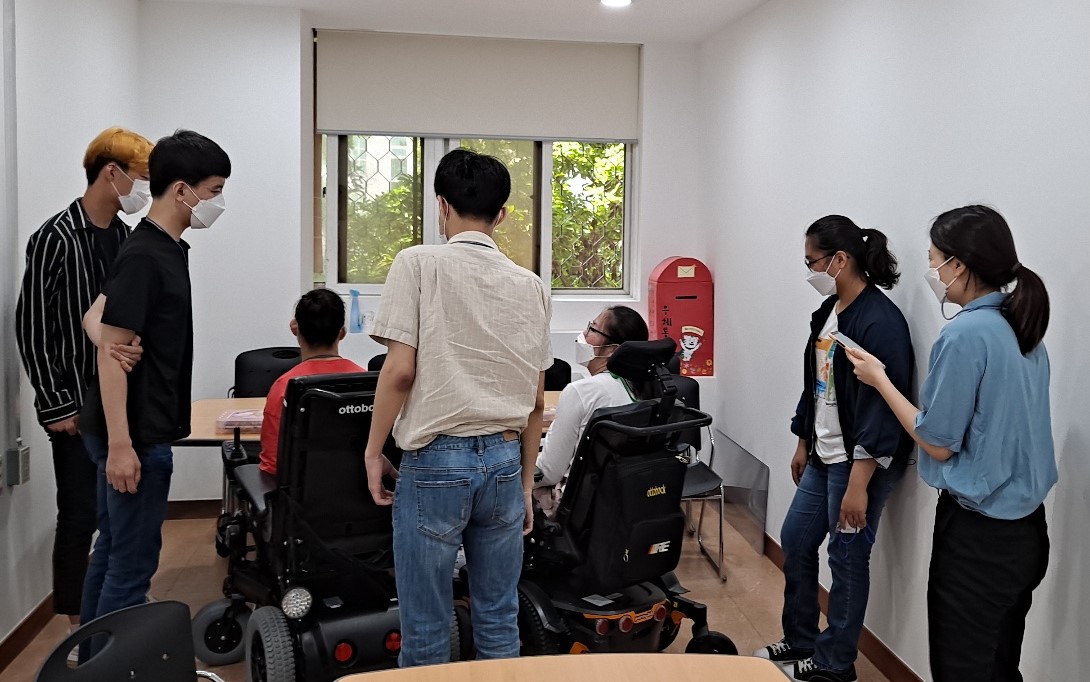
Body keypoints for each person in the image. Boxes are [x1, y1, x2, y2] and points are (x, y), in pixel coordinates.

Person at [846, 205, 1056, 682]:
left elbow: (937, 442)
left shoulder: (965, 335)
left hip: (979, 539)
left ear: (958, 265)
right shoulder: (1024, 327)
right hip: (1027, 532)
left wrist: (879, 379)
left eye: (934, 260)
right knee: (1001, 664)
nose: (933, 273)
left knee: (960, 668)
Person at [364, 148, 552, 667]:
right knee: (498, 617)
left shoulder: (417, 263)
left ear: (441, 206)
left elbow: (399, 372)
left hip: (435, 465)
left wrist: (374, 451)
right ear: (502, 215)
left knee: (427, 626)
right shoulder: (531, 286)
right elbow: (535, 401)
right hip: (505, 463)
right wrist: (526, 484)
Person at [78, 130, 231, 628]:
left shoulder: (160, 247)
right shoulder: (146, 255)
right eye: (214, 191)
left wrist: (107, 338)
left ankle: (88, 655)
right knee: (132, 565)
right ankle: (113, 661)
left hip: (130, 429)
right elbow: (110, 359)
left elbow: (95, 315)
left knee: (114, 550)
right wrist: (121, 446)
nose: (219, 203)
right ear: (182, 190)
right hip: (134, 435)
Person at [755, 215, 914, 682]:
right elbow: (816, 384)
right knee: (796, 539)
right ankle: (802, 640)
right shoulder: (828, 312)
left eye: (813, 262)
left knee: (846, 558)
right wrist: (802, 440)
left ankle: (835, 664)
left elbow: (882, 408)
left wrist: (859, 484)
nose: (809, 271)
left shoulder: (881, 322)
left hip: (859, 463)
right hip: (824, 453)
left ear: (840, 260)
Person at [14, 127, 152, 637]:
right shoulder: (55, 236)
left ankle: (113, 607)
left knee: (117, 513)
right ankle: (77, 629)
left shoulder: (126, 237)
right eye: (142, 178)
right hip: (74, 404)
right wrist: (57, 405)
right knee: (78, 515)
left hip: (120, 402)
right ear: (111, 173)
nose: (145, 190)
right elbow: (33, 327)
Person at [533, 306, 648, 516]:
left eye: (592, 329)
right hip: (623, 502)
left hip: (580, 507)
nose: (584, 334)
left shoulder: (581, 392)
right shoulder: (642, 390)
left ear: (613, 350)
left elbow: (548, 472)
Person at [258, 288, 364, 475]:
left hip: (301, 491)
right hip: (360, 488)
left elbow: (274, 463)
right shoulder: (366, 382)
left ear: (294, 328)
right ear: (342, 333)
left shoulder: (286, 386)